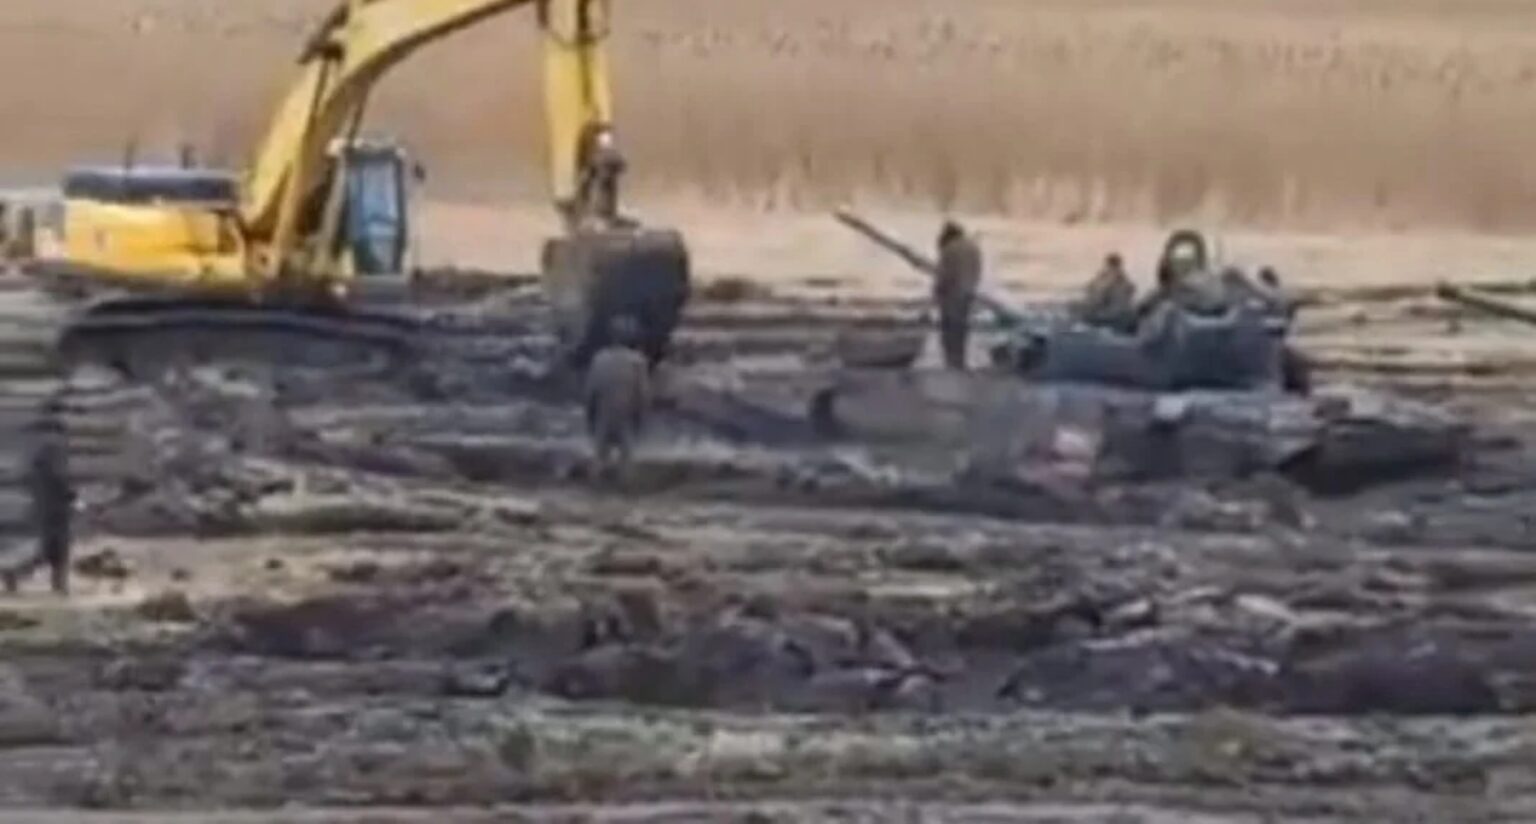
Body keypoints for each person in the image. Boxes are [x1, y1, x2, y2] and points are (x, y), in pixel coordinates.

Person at [4, 400, 74, 595]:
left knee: (49, 546)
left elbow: (31, 473)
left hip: (42, 500)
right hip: (56, 502)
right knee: (58, 545)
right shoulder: (56, 443)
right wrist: (71, 496)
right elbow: (59, 475)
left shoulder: (36, 442)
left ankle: (17, 574)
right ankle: (58, 584)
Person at [584, 315, 651, 479]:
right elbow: (643, 393)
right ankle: (624, 485)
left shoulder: (599, 358)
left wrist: (590, 415)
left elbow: (590, 391)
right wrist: (642, 417)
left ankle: (595, 483)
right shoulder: (637, 361)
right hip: (626, 413)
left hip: (603, 412)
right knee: (627, 456)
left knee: (599, 453)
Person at [934, 220, 982, 370]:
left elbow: (944, 274)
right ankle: (961, 359)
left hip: (952, 294)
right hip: (968, 292)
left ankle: (951, 361)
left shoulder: (949, 249)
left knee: (949, 328)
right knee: (962, 327)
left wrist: (937, 290)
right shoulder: (973, 247)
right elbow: (977, 271)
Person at [1076, 253, 1137, 333]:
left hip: (1108, 313)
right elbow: (1131, 290)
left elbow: (1099, 292)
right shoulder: (1119, 277)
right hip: (1117, 312)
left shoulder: (1110, 276)